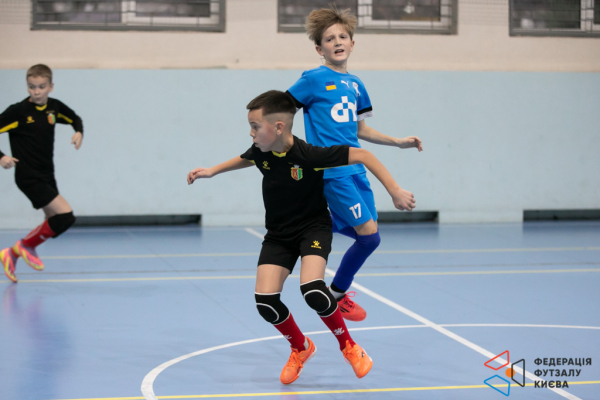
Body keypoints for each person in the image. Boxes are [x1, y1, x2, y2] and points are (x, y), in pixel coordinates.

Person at [187, 90, 415, 384]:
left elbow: (364, 155)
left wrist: (395, 190)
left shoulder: (310, 155)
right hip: (278, 235)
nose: (251, 133)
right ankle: (301, 347)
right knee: (266, 302)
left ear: (278, 127)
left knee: (313, 290)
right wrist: (212, 171)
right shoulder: (261, 150)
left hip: (312, 230)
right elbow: (246, 158)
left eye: (255, 126)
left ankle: (349, 346)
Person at [286, 7, 423, 322]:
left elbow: (360, 130)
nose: (337, 42)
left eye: (342, 36)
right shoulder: (312, 79)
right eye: (329, 39)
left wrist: (398, 142)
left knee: (367, 236)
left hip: (356, 169)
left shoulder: (356, 84)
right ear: (319, 49)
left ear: (352, 43)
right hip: (332, 172)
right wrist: (292, 152)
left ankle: (310, 226)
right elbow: (282, 112)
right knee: (370, 236)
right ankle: (337, 295)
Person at [0, 64, 82, 283]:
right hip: (28, 176)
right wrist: (1, 157)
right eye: (31, 87)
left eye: (41, 87)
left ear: (51, 87)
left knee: (56, 221)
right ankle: (25, 246)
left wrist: (78, 132)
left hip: (47, 174)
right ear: (27, 86)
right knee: (66, 216)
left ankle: (11, 254)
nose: (36, 92)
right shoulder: (18, 111)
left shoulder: (53, 108)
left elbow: (74, 117)